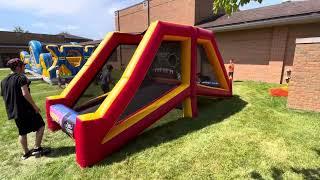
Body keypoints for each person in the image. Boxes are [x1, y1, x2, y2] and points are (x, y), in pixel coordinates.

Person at [0, 58, 50, 160]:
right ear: (18, 67)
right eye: (23, 65)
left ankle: (26, 152)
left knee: (22, 132)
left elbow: (4, 96)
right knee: (41, 125)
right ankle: (37, 149)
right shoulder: (21, 77)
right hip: (26, 109)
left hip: (14, 112)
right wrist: (34, 106)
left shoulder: (3, 81)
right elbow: (25, 93)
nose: (25, 67)